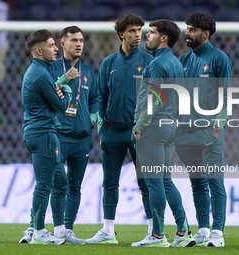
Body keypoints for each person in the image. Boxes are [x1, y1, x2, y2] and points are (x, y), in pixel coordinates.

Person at [19, 26, 99, 245]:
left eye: (81, 39)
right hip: (47, 132)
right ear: (39, 51)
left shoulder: (83, 71)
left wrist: (93, 115)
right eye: (52, 45)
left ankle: (62, 230)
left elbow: (95, 98)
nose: (54, 48)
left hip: (61, 133)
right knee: (45, 184)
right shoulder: (45, 72)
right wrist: (67, 91)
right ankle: (37, 231)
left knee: (63, 183)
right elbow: (63, 106)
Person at [86, 13, 153, 244]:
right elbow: (101, 98)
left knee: (146, 182)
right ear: (121, 34)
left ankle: (154, 231)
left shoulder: (148, 61)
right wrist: (102, 130)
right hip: (112, 132)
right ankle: (107, 231)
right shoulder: (108, 63)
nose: (138, 35)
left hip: (139, 132)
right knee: (110, 182)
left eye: (139, 30)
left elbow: (156, 99)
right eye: (133, 30)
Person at [131, 19, 195, 248]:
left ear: (164, 38)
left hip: (153, 127)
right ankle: (183, 231)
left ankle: (157, 235)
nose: (147, 35)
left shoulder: (157, 64)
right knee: (166, 182)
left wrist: (139, 126)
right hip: (168, 125)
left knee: (154, 183)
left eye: (152, 32)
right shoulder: (176, 63)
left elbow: (153, 98)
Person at [175, 12, 232, 247]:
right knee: (197, 182)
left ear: (205, 33)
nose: (187, 33)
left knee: (214, 181)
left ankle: (218, 232)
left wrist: (218, 126)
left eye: (192, 30)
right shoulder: (184, 60)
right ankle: (203, 230)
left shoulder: (219, 59)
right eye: (187, 29)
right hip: (185, 132)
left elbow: (227, 95)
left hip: (209, 131)